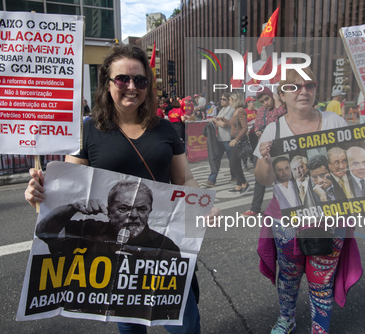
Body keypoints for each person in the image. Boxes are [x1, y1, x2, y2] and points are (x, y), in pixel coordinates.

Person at [25, 44, 220, 334]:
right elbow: (68, 189)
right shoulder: (87, 130)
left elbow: (182, 180)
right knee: (130, 327)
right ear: (107, 82)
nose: (131, 87)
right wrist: (39, 194)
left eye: (139, 80)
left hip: (163, 244)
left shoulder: (165, 129)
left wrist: (202, 201)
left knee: (184, 325)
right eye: (122, 79)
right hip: (112, 261)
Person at [254, 67, 362, 334]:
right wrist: (267, 159)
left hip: (330, 218)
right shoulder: (273, 129)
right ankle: (286, 319)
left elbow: (356, 161)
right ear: (282, 94)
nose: (302, 91)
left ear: (315, 90)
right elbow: (264, 179)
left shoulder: (334, 121)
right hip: (286, 220)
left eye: (309, 86)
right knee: (289, 277)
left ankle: (319, 328)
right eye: (293, 87)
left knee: (321, 279)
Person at [36, 181, 180, 257]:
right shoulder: (90, 230)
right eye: (124, 208)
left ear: (150, 211)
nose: (134, 215)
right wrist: (72, 208)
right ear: (109, 210)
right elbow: (45, 232)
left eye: (141, 209)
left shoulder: (165, 245)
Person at [242, 87, 286, 216]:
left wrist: (277, 102)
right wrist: (258, 131)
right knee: (259, 177)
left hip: (279, 146)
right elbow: (258, 124)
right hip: (263, 147)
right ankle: (255, 208)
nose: (265, 103)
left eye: (267, 99)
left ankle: (285, 207)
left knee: (283, 177)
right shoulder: (261, 111)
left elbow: (281, 117)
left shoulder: (282, 108)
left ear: (272, 96)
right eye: (262, 101)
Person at [217, 92, 249, 194]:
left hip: (237, 140)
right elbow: (232, 124)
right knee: (237, 164)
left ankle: (244, 183)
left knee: (233, 164)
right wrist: (223, 119)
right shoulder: (236, 111)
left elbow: (245, 127)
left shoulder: (240, 111)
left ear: (235, 100)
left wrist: (236, 139)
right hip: (233, 138)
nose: (228, 101)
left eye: (229, 99)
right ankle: (239, 186)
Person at [203, 93, 235, 188]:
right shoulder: (221, 110)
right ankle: (211, 180)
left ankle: (235, 176)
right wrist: (213, 123)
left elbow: (224, 124)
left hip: (228, 139)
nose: (222, 100)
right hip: (220, 139)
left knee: (232, 160)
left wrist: (214, 120)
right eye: (221, 99)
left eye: (224, 99)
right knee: (216, 159)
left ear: (229, 100)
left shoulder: (231, 110)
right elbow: (218, 124)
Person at [244, 96, 257, 169]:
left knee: (254, 147)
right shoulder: (244, 111)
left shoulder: (255, 111)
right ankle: (245, 163)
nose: (253, 103)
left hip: (254, 132)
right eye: (252, 102)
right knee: (246, 148)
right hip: (247, 132)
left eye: (254, 101)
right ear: (248, 103)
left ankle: (253, 160)